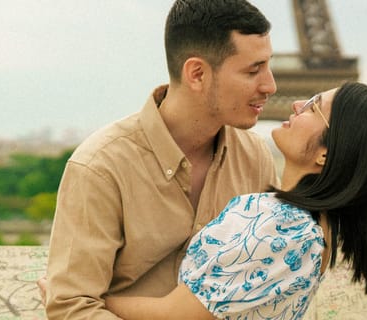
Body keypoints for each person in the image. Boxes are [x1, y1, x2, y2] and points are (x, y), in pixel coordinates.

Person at [42, 0, 279, 318]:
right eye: (254, 70)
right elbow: (73, 306)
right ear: (197, 74)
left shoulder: (256, 158)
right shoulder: (100, 168)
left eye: (267, 66)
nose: (270, 85)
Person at [100, 82, 367, 319]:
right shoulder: (316, 227)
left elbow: (177, 314)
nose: (298, 104)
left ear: (325, 153)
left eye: (315, 106)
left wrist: (91, 299)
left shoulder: (287, 227)